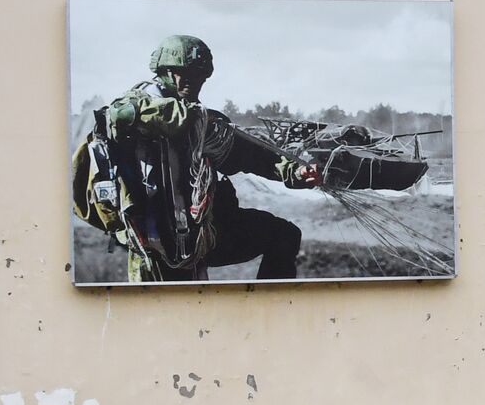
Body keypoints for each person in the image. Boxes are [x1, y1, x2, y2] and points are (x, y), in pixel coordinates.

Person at [79, 35, 321, 282]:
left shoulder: (201, 123)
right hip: (154, 244)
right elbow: (122, 115)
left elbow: (248, 154)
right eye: (187, 75)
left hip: (202, 235)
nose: (194, 84)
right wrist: (187, 117)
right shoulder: (135, 106)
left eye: (200, 78)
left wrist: (294, 171)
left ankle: (269, 313)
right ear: (166, 72)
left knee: (283, 235)